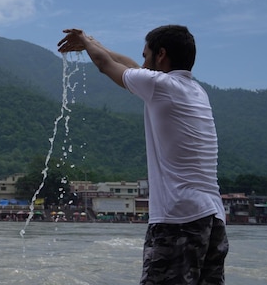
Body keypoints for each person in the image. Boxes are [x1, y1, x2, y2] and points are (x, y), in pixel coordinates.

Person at [58, 25, 228, 285]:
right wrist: (93, 42)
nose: (143, 62)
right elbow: (132, 66)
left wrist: (84, 40)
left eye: (146, 55)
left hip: (178, 217)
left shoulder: (160, 86)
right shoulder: (196, 91)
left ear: (161, 54)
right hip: (213, 219)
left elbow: (105, 64)